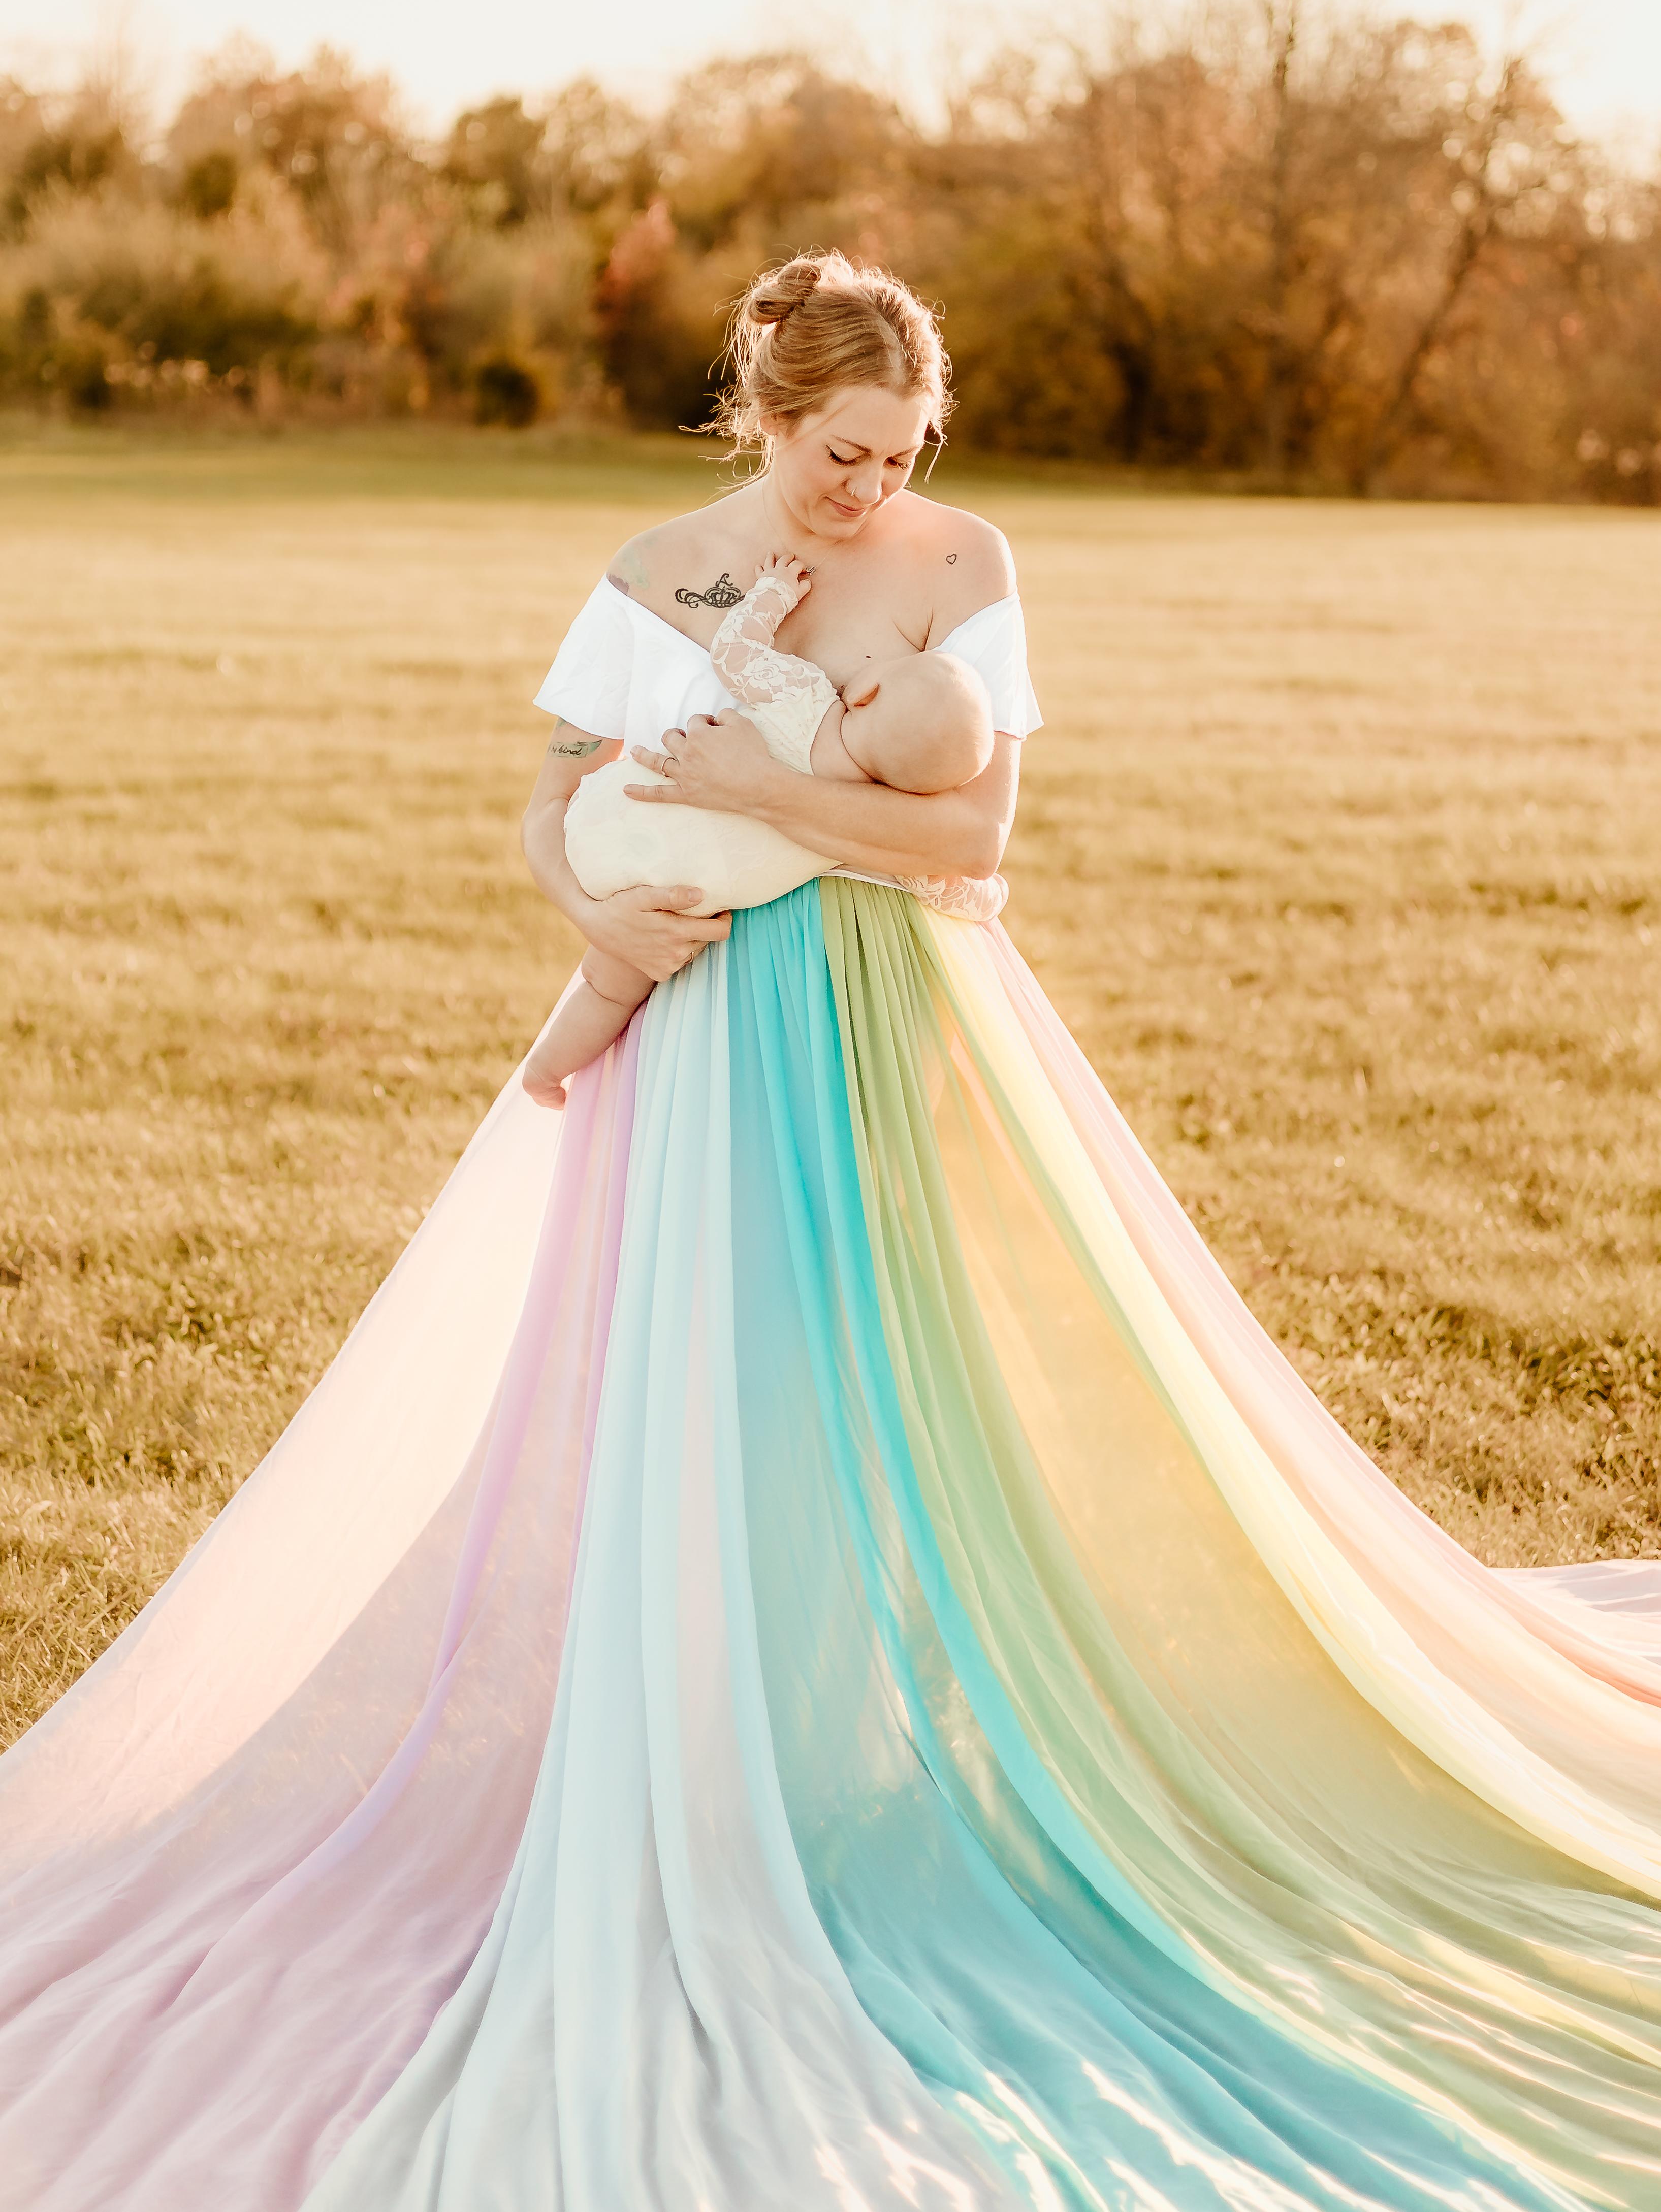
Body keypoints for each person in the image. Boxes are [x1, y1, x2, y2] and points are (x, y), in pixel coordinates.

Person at [2, 253, 1661, 2212]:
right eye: (835, 451)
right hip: (697, 1007)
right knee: (711, 1378)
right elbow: (550, 804)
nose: (868, 486)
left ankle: (920, 1758)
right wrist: (594, 913)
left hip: (897, 1007)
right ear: (763, 415)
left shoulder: (964, 562)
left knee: (910, 1370)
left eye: (898, 452)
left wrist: (780, 785)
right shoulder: (653, 567)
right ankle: (723, 1770)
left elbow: (974, 842)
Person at [522, 548, 1007, 1105]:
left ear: (868, 692)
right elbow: (943, 881)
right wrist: (988, 893)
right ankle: (547, 1071)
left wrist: (773, 592)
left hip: (620, 813)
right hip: (678, 890)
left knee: (617, 962)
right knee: (611, 988)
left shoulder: (806, 699)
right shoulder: (869, 823)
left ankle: (540, 1064)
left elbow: (734, 654)